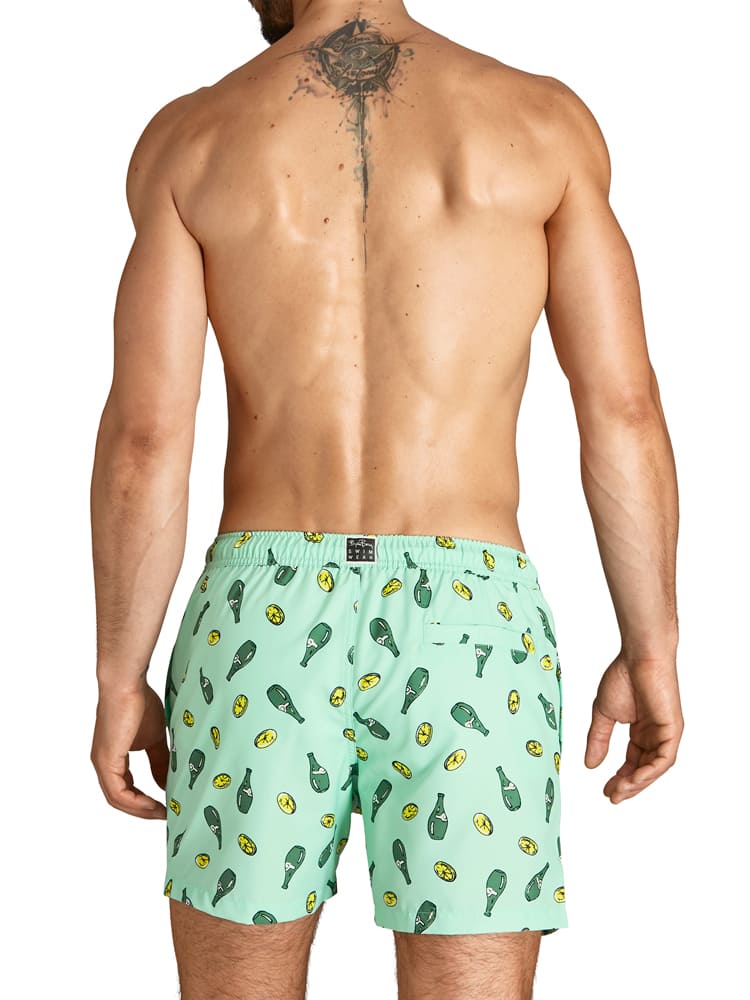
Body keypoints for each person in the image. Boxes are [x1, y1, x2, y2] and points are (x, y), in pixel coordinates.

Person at [89, 1, 684, 996]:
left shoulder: (193, 139)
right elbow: (622, 409)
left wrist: (120, 674)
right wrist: (652, 646)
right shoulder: (541, 125)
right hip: (472, 622)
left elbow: (146, 441)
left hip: (262, 617)